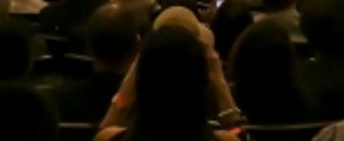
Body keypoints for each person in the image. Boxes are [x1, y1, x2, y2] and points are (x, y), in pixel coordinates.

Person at [96, 26, 242, 141]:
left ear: (141, 82)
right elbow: (239, 133)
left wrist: (128, 84)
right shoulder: (227, 139)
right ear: (200, 84)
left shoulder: (108, 137)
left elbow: (105, 128)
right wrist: (220, 82)